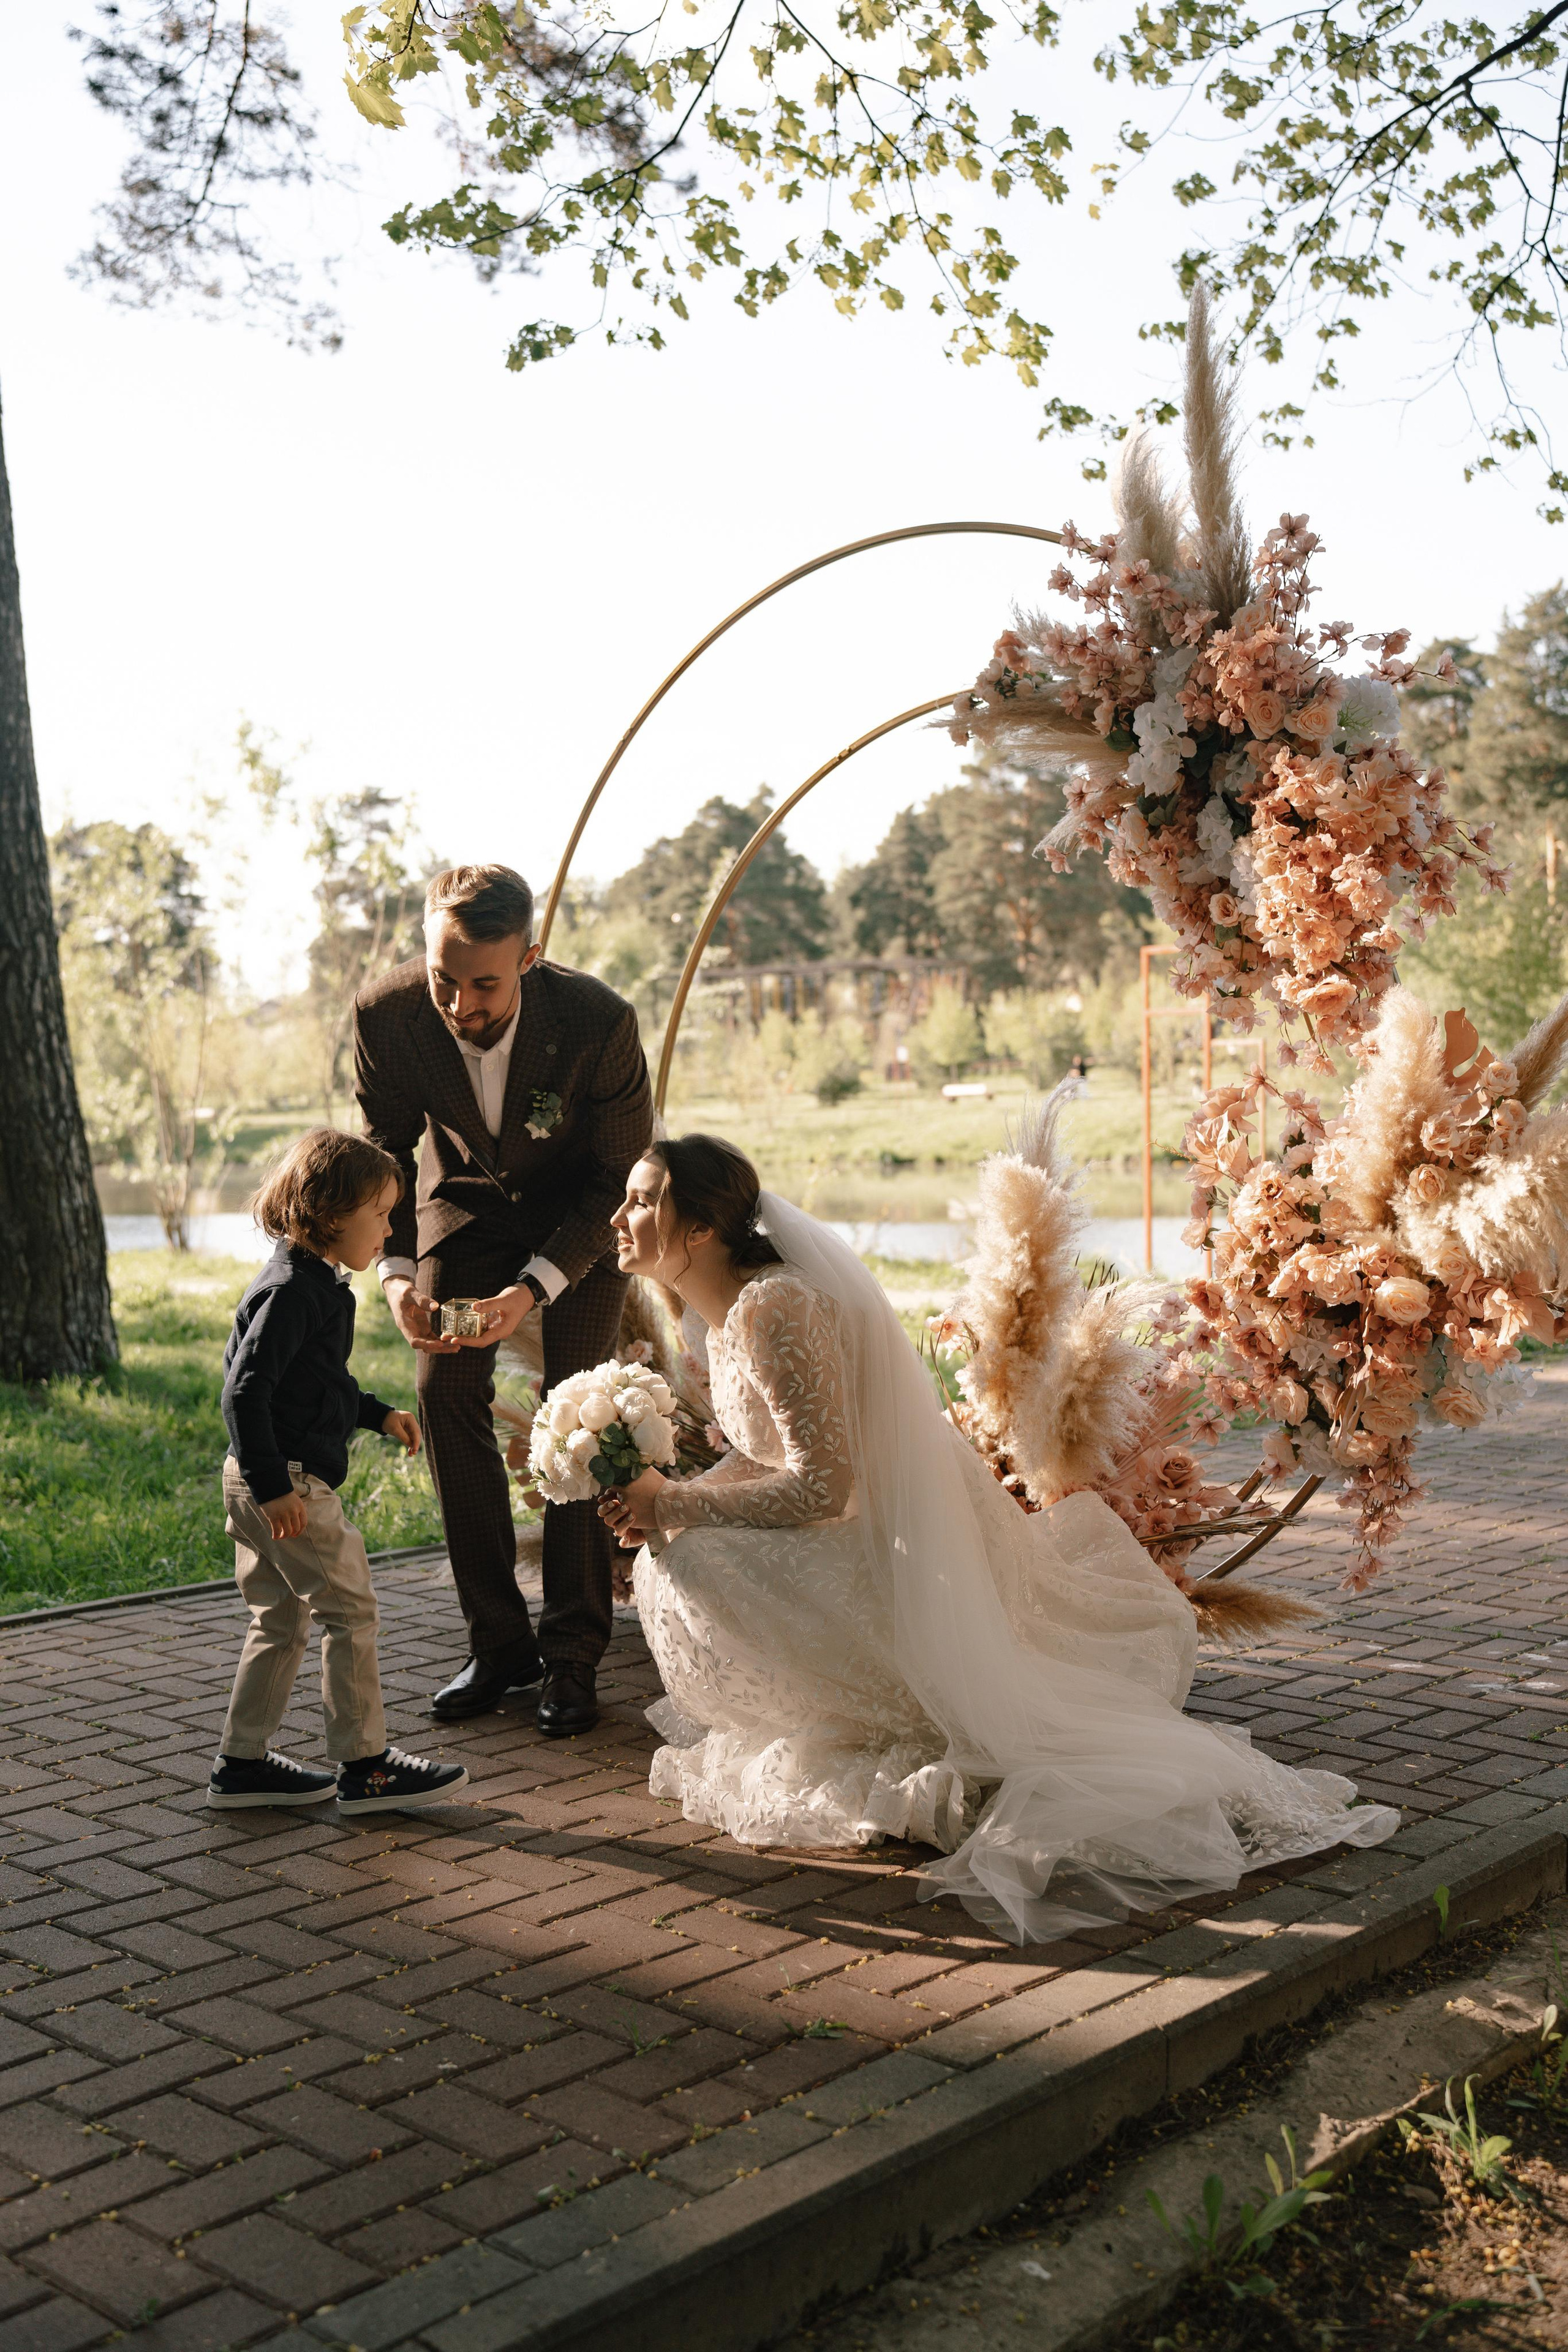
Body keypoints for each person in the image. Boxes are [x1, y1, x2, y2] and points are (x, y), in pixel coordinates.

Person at [598, 1135, 1400, 1945]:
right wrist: (675, 1497)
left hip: (881, 1541)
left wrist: (680, 1510)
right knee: (678, 1542)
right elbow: (761, 1452)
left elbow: (824, 1486)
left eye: (642, 1200)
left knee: (690, 1551)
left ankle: (895, 1708)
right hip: (850, 1526)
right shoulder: (719, 1319)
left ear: (700, 1228)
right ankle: (844, 1707)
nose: (620, 1217)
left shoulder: (776, 1307)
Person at [355, 862, 652, 1735]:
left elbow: (618, 1177)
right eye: (443, 978)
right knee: (443, 1392)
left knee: (582, 1419)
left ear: (531, 956)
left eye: (483, 983)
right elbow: (384, 1150)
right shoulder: (388, 1014)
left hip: (581, 1230)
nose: (458, 1003)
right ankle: (499, 1646)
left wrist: (534, 1290)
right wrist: (398, 1276)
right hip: (465, 1218)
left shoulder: (598, 1021)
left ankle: (572, 1657)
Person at [209, 1129, 469, 1815]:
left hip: (255, 1477)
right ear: (329, 1212)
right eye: (380, 1214)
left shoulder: (310, 1283)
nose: (390, 1228)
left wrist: (378, 1413)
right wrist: (276, 1489)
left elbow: (314, 1382)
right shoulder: (293, 1291)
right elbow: (244, 1393)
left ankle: (241, 1765)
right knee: (350, 1612)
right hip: (284, 1483)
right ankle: (367, 1768)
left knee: (281, 1621)